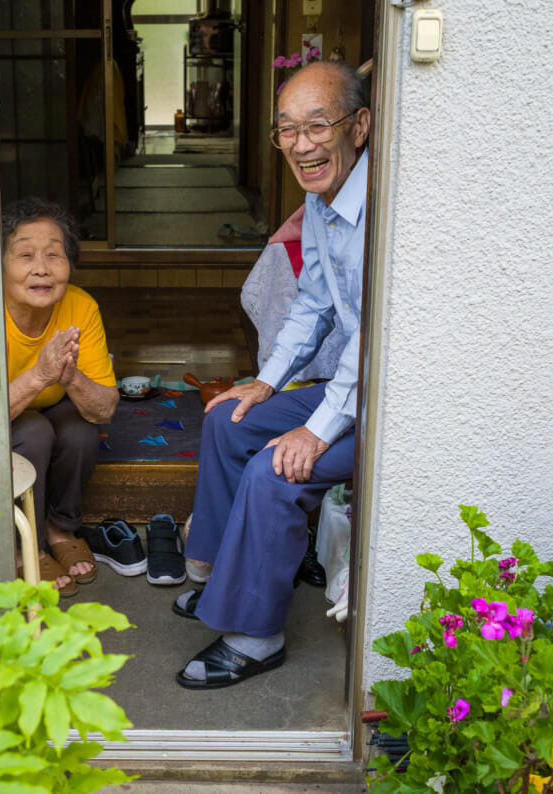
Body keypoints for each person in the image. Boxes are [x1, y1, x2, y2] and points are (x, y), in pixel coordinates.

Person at [172, 61, 371, 688]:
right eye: (288, 129)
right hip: (353, 388)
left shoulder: (384, 210)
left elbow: (376, 337)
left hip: (391, 403)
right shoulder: (321, 200)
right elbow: (313, 303)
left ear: (359, 126)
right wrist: (268, 380)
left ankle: (256, 633)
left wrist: (315, 431)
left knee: (279, 466)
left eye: (319, 125)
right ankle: (217, 576)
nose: (303, 144)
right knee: (232, 419)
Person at [0, 197, 118, 597]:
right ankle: (15, 548)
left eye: (54, 255)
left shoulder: (80, 306)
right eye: (25, 255)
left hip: (38, 406)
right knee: (33, 431)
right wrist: (40, 375)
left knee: (80, 429)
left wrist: (71, 378)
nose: (41, 268)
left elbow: (104, 409)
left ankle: (59, 528)